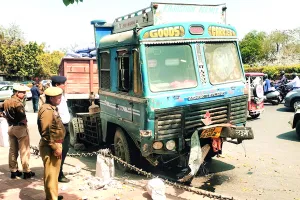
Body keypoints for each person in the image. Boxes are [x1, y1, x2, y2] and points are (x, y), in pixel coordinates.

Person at [38, 87, 65, 200]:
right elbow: (46, 132)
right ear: (52, 98)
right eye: (58, 97)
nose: (60, 98)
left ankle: (52, 196)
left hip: (53, 144)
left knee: (52, 174)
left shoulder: (50, 108)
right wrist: (55, 147)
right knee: (51, 174)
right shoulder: (47, 111)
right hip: (51, 145)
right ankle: (51, 198)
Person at [3, 85, 35, 179]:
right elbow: (23, 118)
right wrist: (25, 124)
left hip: (10, 127)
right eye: (23, 92)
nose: (25, 94)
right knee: (24, 150)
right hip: (20, 128)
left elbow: (1, 110)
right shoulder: (18, 104)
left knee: (12, 150)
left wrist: (5, 117)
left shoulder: (6, 101)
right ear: (17, 92)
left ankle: (13, 171)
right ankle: (26, 171)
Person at [51, 75, 71, 183]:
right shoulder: (53, 98)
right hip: (60, 128)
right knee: (59, 151)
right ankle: (58, 174)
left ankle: (59, 171)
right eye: (63, 84)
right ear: (57, 85)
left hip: (65, 126)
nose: (65, 86)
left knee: (65, 150)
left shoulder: (61, 96)